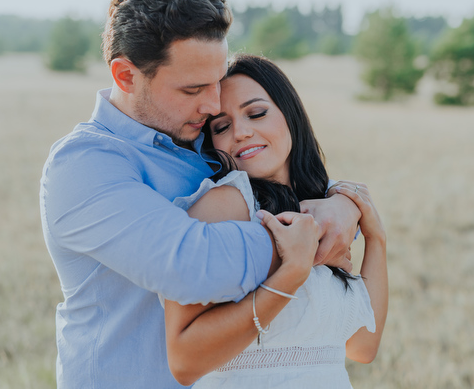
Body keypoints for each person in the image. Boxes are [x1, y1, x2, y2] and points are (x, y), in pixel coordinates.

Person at [39, 0, 360, 388]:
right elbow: (190, 263)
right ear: (126, 75)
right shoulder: (85, 165)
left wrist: (345, 201)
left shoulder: (203, 138)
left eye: (217, 81)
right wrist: (304, 238)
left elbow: (282, 176)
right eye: (193, 90)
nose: (213, 105)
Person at [162, 54, 388, 388]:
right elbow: (183, 361)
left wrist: (376, 237)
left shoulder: (323, 209)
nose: (241, 132)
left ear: (290, 114)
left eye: (257, 113)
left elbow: (362, 346)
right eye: (221, 126)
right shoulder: (225, 206)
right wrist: (291, 274)